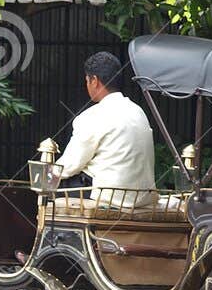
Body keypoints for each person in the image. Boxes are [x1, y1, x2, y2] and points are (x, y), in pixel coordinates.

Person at [54, 50, 156, 206]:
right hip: (141, 197)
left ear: (94, 80)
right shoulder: (138, 112)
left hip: (110, 198)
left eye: (87, 80)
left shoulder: (93, 115)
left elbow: (69, 165)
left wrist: (47, 175)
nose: (87, 85)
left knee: (60, 181)